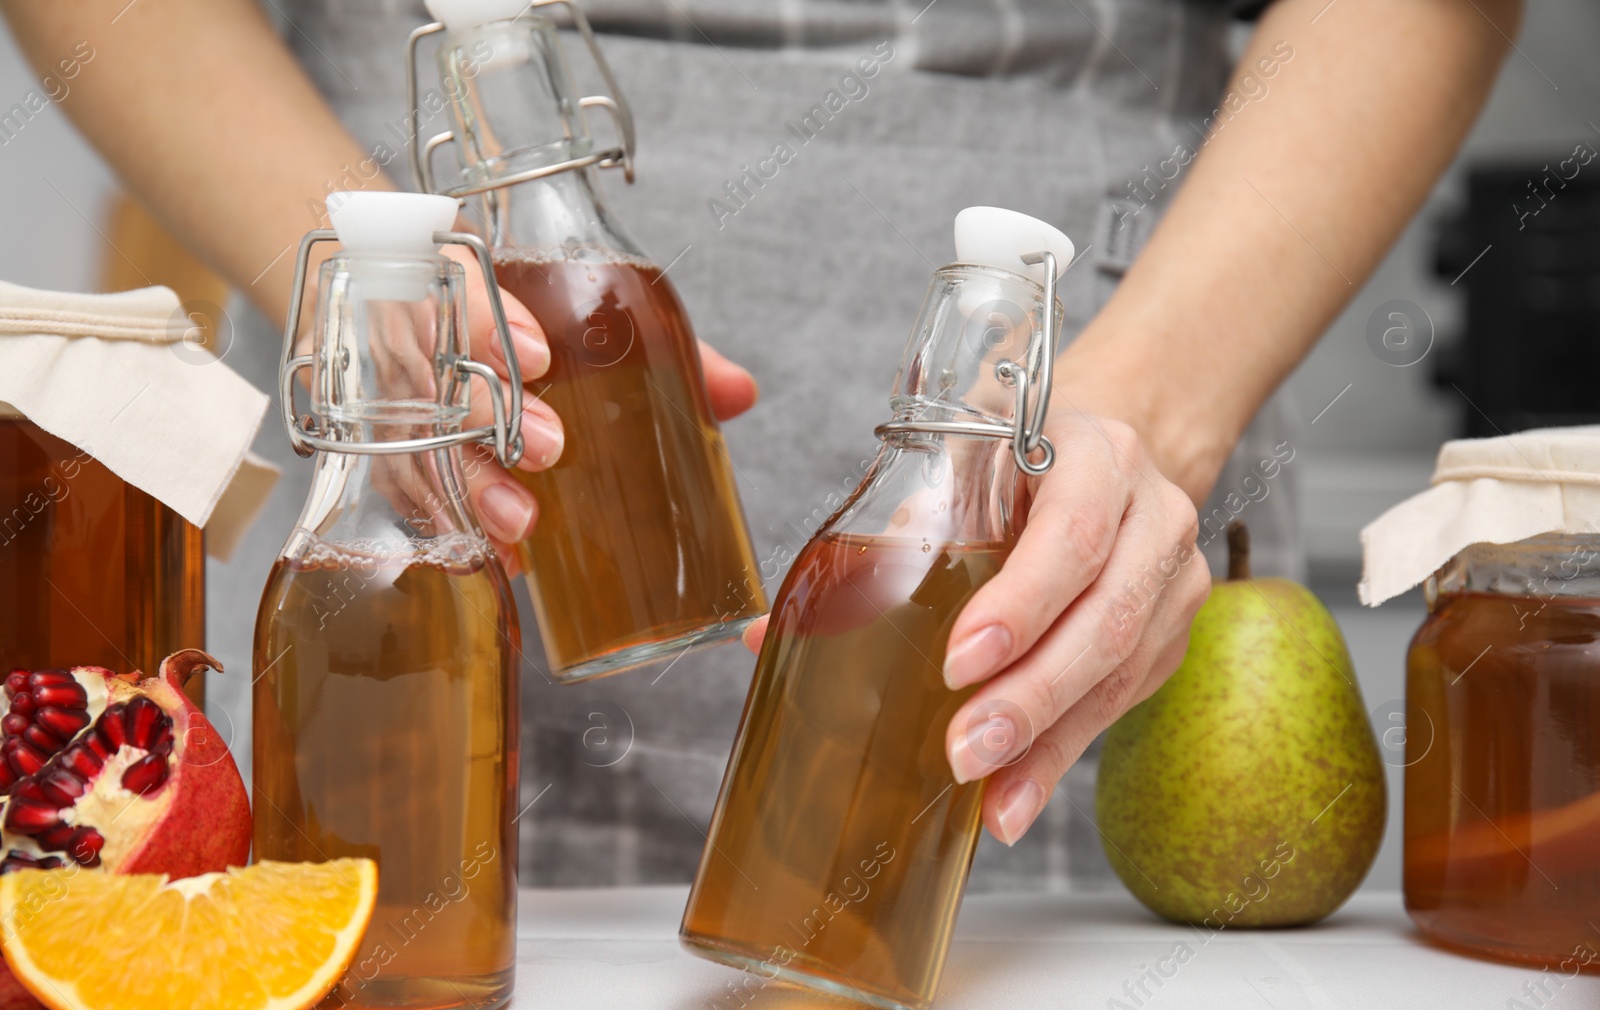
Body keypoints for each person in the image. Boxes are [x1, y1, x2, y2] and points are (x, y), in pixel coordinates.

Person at [1, 0, 1519, 889]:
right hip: (435, 429)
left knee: (982, 908)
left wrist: (1158, 404)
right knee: (419, 943)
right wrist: (376, 296)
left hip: (1116, 357)